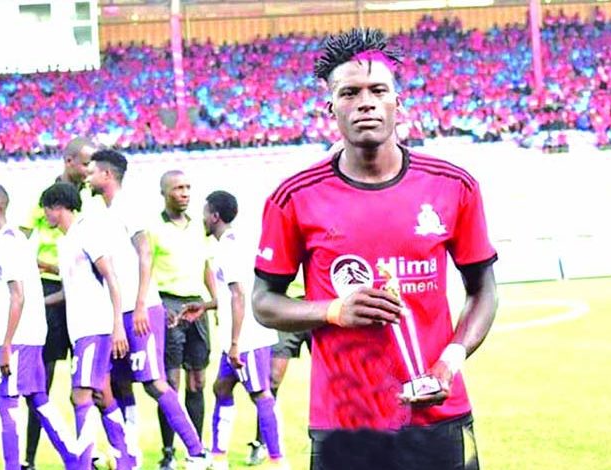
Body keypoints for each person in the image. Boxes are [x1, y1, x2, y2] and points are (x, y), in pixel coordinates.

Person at [251, 28, 498, 470]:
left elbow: (483, 290)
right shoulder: (294, 197)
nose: (365, 102)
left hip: (438, 416)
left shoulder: (452, 186)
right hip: (345, 423)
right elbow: (264, 302)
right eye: (349, 93)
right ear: (331, 108)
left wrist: (449, 362)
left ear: (398, 102)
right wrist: (334, 311)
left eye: (378, 90)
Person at [85, 150, 209, 469]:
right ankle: (130, 455)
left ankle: (197, 452)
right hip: (119, 312)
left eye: (92, 171)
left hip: (140, 310)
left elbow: (145, 252)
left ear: (107, 175)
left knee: (154, 383)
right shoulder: (105, 212)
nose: (88, 176)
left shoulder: (128, 206)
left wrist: (141, 304)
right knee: (119, 383)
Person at [0, 185, 79, 470]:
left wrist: (7, 345)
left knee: (7, 403)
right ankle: (77, 460)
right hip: (29, 336)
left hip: (18, 339)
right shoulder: (10, 241)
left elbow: (17, 296)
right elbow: (0, 295)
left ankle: (14, 466)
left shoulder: (7, 244)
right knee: (39, 400)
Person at [182, 190, 287, 470]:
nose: (202, 218)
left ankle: (278, 459)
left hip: (247, 338)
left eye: (205, 213)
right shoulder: (227, 245)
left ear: (215, 216)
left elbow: (239, 294)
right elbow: (232, 296)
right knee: (221, 388)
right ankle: (219, 457)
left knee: (260, 394)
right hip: (237, 337)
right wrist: (206, 306)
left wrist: (236, 343)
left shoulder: (230, 248)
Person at [19, 136, 104, 470]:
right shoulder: (43, 198)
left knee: (91, 384)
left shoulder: (93, 200)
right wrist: (43, 269)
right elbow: (20, 246)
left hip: (85, 293)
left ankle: (88, 456)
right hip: (52, 295)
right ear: (69, 161)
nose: (90, 169)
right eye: (86, 163)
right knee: (44, 380)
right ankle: (29, 458)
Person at [40, 182, 135, 470]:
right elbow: (69, 291)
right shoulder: (65, 242)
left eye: (46, 209)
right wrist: (38, 303)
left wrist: (118, 325)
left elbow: (111, 278)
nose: (44, 215)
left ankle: (81, 464)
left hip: (94, 328)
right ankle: (127, 460)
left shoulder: (87, 233)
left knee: (80, 395)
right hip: (81, 330)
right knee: (102, 395)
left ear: (58, 207)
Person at [150, 170, 217, 470]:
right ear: (164, 192)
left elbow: (206, 267)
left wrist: (214, 302)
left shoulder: (199, 228)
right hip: (169, 305)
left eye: (188, 187)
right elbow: (145, 271)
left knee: (198, 381)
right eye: (178, 188)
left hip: (196, 307)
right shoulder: (152, 228)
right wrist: (156, 306)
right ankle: (168, 452)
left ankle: (196, 450)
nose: (185, 193)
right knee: (170, 384)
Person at [246, 278, 310, 466]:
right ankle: (262, 442)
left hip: (319, 307)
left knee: (331, 376)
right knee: (272, 380)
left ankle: (336, 435)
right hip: (287, 308)